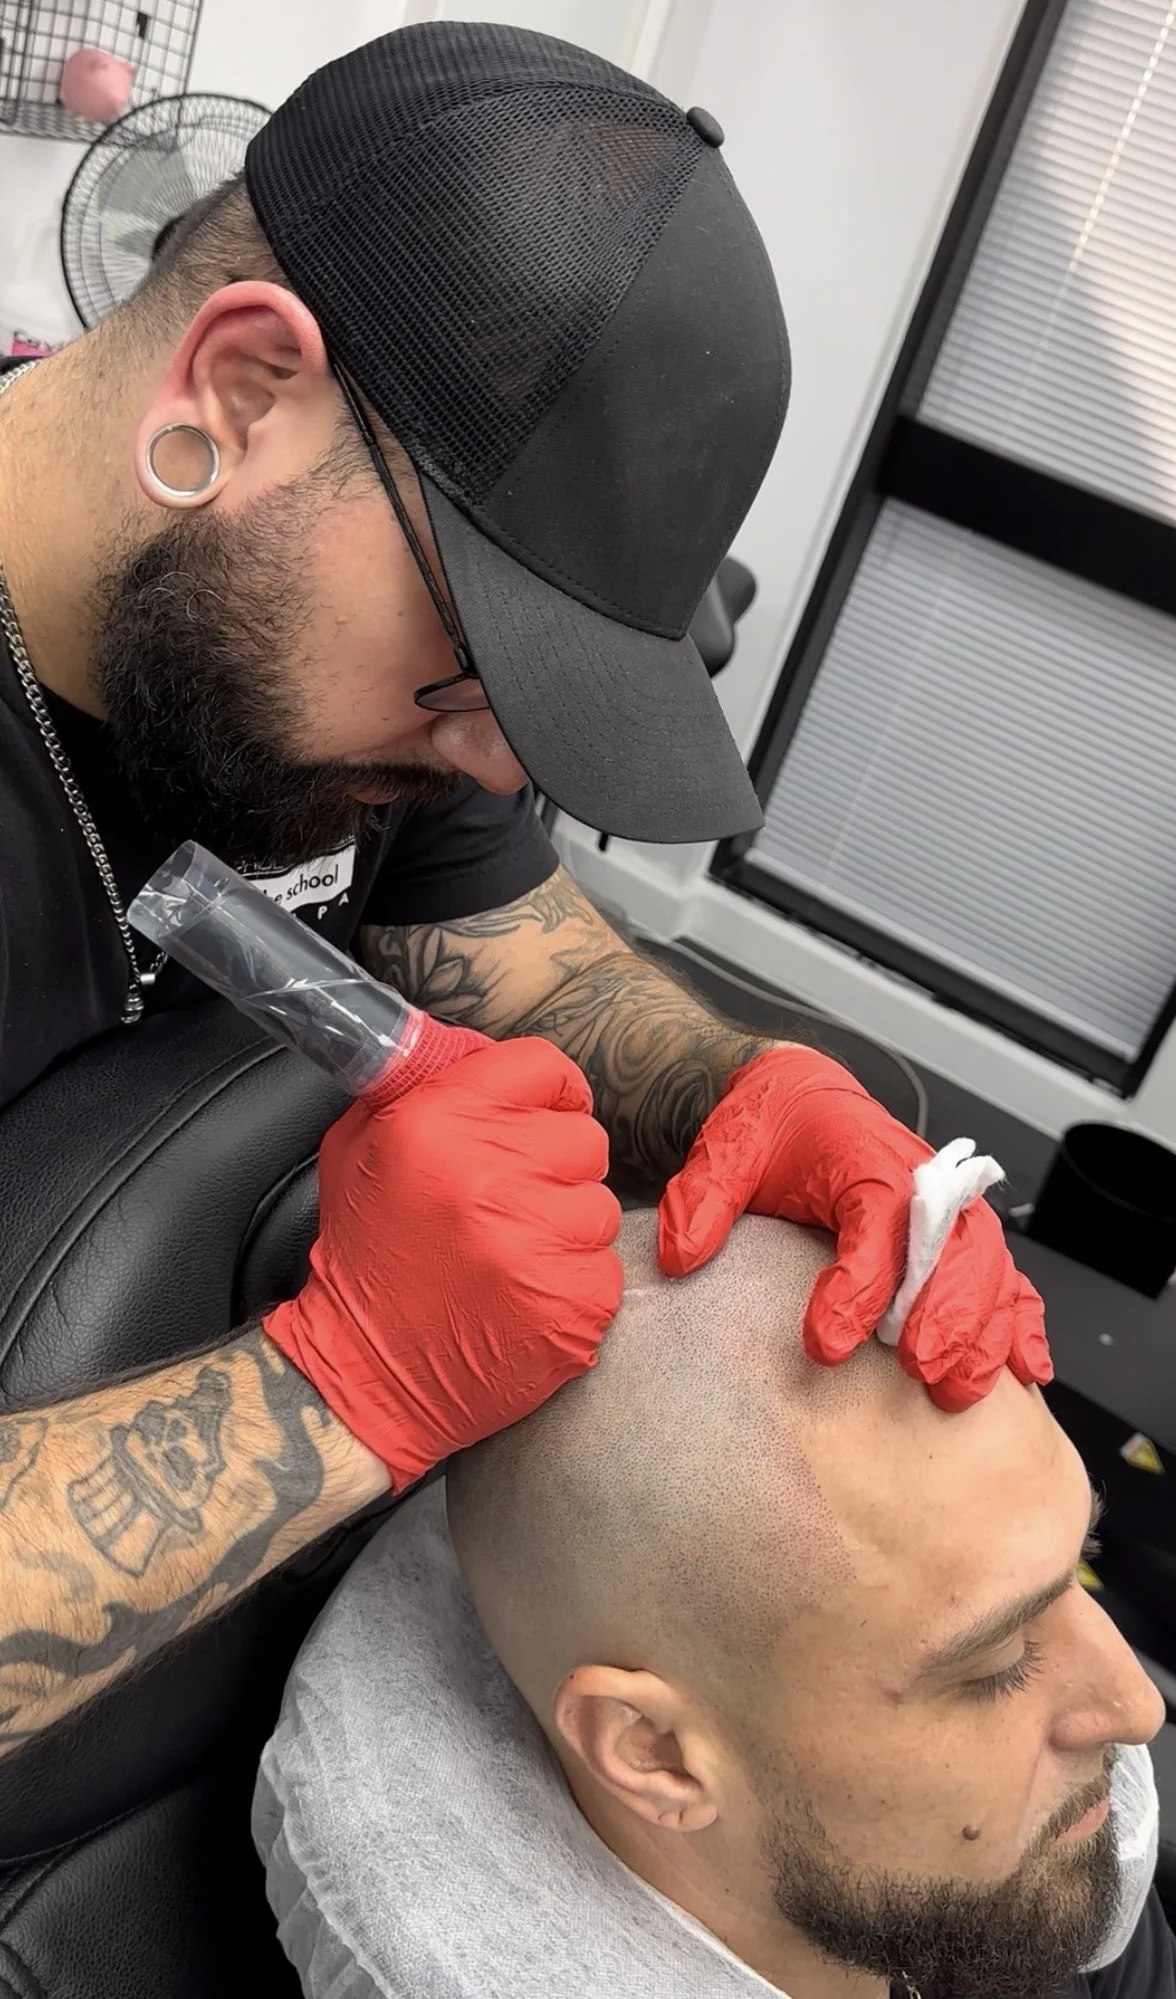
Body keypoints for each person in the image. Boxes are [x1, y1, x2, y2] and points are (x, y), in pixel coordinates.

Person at [0, 24, 1045, 1755]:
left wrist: (751, 1090)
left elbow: (532, 960)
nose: (494, 768)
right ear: (242, 391)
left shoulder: (292, 681)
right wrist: (344, 1380)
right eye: (481, 668)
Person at [255, 1211, 1169, 1999]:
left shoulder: (1016, 1869)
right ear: (655, 1751)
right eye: (997, 1663)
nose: (1138, 1708)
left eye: (1074, 1561)